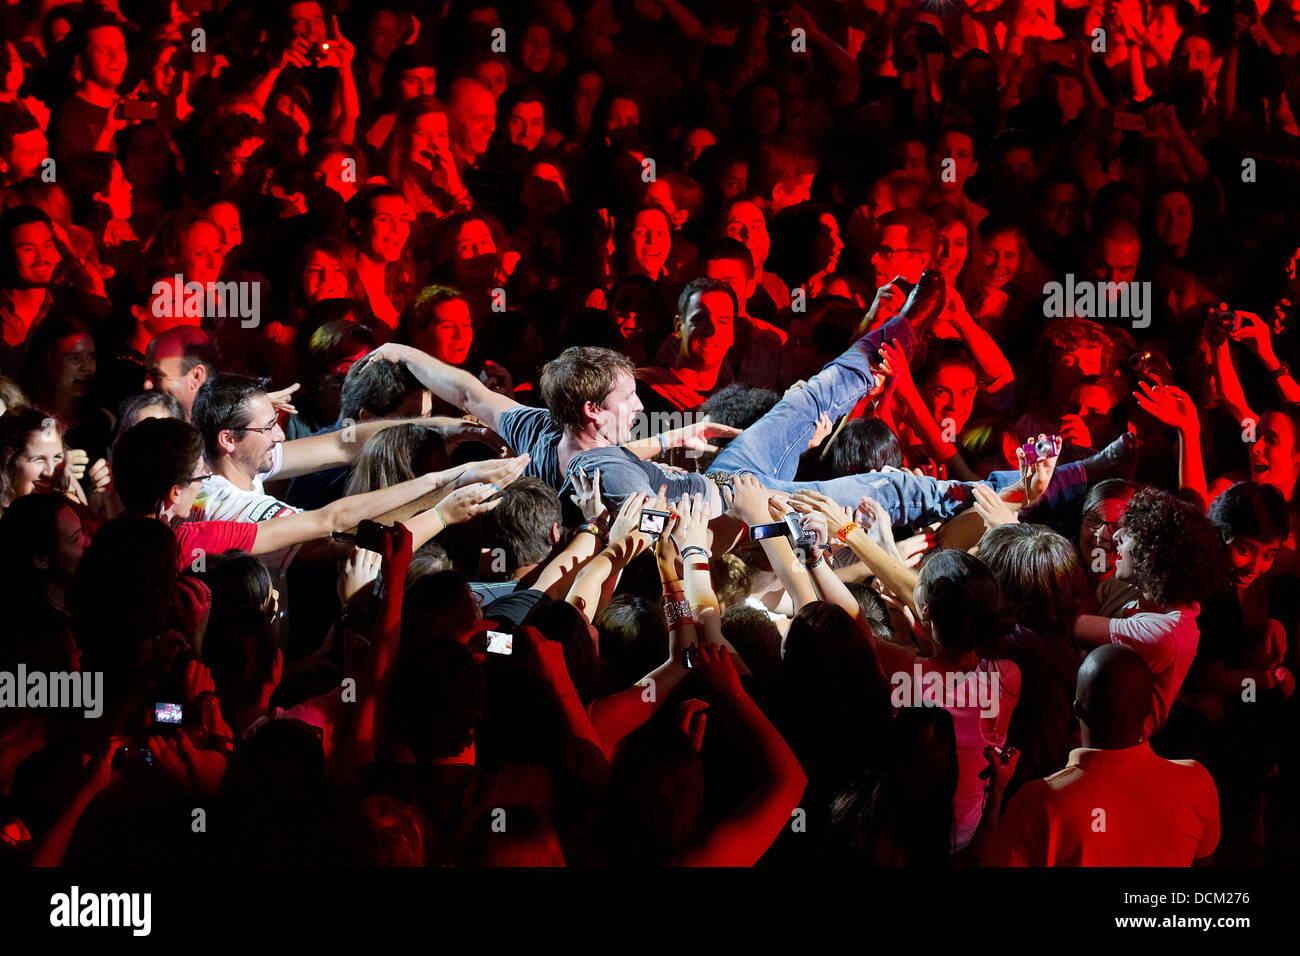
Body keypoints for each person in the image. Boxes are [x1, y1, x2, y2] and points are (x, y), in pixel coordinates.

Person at [988, 645, 1220, 866]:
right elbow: (1204, 859)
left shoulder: (1039, 801)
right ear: (1148, 709)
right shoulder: (1197, 782)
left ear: (1077, 710)